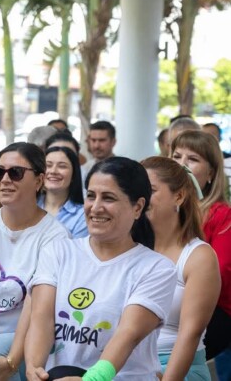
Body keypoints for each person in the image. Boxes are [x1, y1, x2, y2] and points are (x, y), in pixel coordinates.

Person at [25, 157, 177, 380]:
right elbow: (41, 317)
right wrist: (34, 369)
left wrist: (93, 379)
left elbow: (128, 335)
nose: (96, 208)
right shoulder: (58, 252)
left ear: (137, 207)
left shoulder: (157, 269)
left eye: (108, 198)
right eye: (91, 196)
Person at [0, 142, 69, 380]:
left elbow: (35, 306)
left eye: (15, 172)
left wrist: (11, 360)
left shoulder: (56, 236)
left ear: (39, 181)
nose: (4, 179)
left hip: (35, 339)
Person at [141, 156, 220, 380]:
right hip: (126, 364)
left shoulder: (199, 256)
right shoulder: (128, 247)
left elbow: (190, 334)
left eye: (151, 190)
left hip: (178, 369)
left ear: (179, 195)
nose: (141, 197)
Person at [170, 131, 231, 364]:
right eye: (176, 156)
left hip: (211, 314)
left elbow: (222, 270)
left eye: (192, 159)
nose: (182, 165)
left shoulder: (223, 216)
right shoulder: (162, 211)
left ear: (211, 172)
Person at [39, 147, 87, 238]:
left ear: (74, 174)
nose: (53, 171)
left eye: (62, 166)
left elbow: (74, 250)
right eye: (48, 165)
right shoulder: (29, 205)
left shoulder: (83, 215)